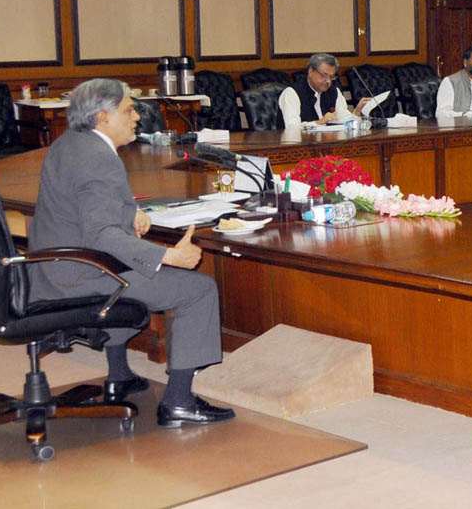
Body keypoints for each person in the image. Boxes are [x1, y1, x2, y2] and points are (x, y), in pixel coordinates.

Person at [27, 79, 234, 428]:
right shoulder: (99, 159)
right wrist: (168, 256)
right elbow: (103, 234)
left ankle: (119, 375)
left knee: (130, 267)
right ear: (103, 117)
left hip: (50, 270)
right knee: (197, 290)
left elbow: (82, 207)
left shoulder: (68, 144)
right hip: (81, 278)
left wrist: (127, 213)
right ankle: (179, 403)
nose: (138, 116)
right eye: (129, 109)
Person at [278, 53, 372, 127]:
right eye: (324, 75)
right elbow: (292, 128)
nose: (328, 81)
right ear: (310, 71)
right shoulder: (292, 93)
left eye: (331, 77)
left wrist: (357, 112)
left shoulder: (334, 92)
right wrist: (319, 123)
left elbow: (345, 122)